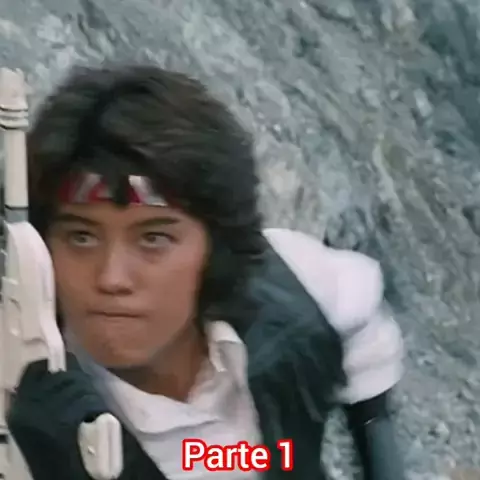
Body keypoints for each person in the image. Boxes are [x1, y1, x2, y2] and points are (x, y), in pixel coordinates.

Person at [6, 63, 406, 480]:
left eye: (154, 239)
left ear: (216, 245)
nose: (112, 278)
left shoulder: (302, 286)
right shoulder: (28, 419)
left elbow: (368, 386)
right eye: (82, 237)